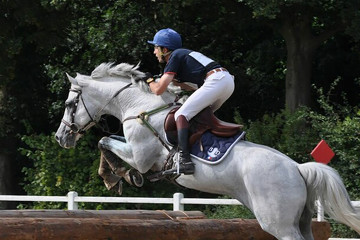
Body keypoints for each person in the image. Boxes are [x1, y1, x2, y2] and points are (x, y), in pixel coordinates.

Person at [146, 28, 235, 175]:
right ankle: (207, 149)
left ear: (165, 49)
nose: (154, 52)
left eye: (156, 48)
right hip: (226, 81)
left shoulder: (174, 56)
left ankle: (184, 160)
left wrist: (148, 80)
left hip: (216, 81)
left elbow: (158, 90)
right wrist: (179, 83)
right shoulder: (183, 55)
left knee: (181, 114)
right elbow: (190, 86)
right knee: (199, 116)